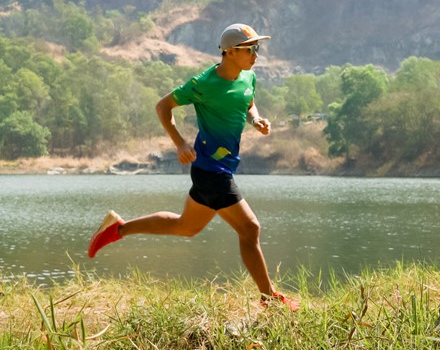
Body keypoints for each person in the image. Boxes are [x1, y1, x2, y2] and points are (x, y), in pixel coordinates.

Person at [87, 22, 297, 310]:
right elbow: (163, 106)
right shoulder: (204, 84)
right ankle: (268, 297)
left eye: (257, 48)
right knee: (250, 230)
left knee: (185, 227)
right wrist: (180, 143)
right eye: (251, 49)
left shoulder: (248, 77)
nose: (256, 55)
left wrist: (256, 120)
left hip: (223, 167)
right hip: (211, 170)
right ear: (231, 51)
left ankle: (117, 228)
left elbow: (248, 102)